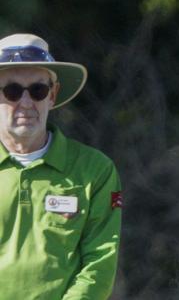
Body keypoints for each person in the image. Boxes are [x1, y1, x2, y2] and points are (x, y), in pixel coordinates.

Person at [0, 33, 122, 299]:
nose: (26, 103)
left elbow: (99, 263)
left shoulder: (95, 170)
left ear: (52, 95)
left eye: (38, 90)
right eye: (12, 91)